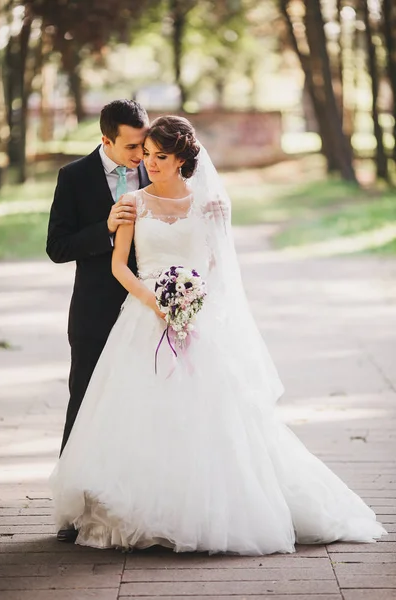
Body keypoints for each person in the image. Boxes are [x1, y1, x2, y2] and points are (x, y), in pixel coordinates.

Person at [50, 115, 386, 555]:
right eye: (146, 154)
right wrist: (155, 300)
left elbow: (217, 270)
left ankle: (203, 506)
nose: (149, 162)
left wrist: (188, 299)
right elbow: (119, 267)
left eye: (160, 156)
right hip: (141, 316)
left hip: (194, 319)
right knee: (133, 410)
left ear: (183, 158)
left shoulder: (209, 205)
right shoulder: (133, 201)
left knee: (208, 413)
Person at [46, 99, 150, 542]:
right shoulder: (73, 177)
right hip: (94, 310)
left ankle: (137, 501)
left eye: (143, 144)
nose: (140, 154)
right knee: (85, 401)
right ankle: (74, 510)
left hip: (147, 311)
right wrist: (105, 229)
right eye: (130, 145)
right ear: (106, 139)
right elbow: (57, 246)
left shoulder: (157, 167)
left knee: (145, 403)